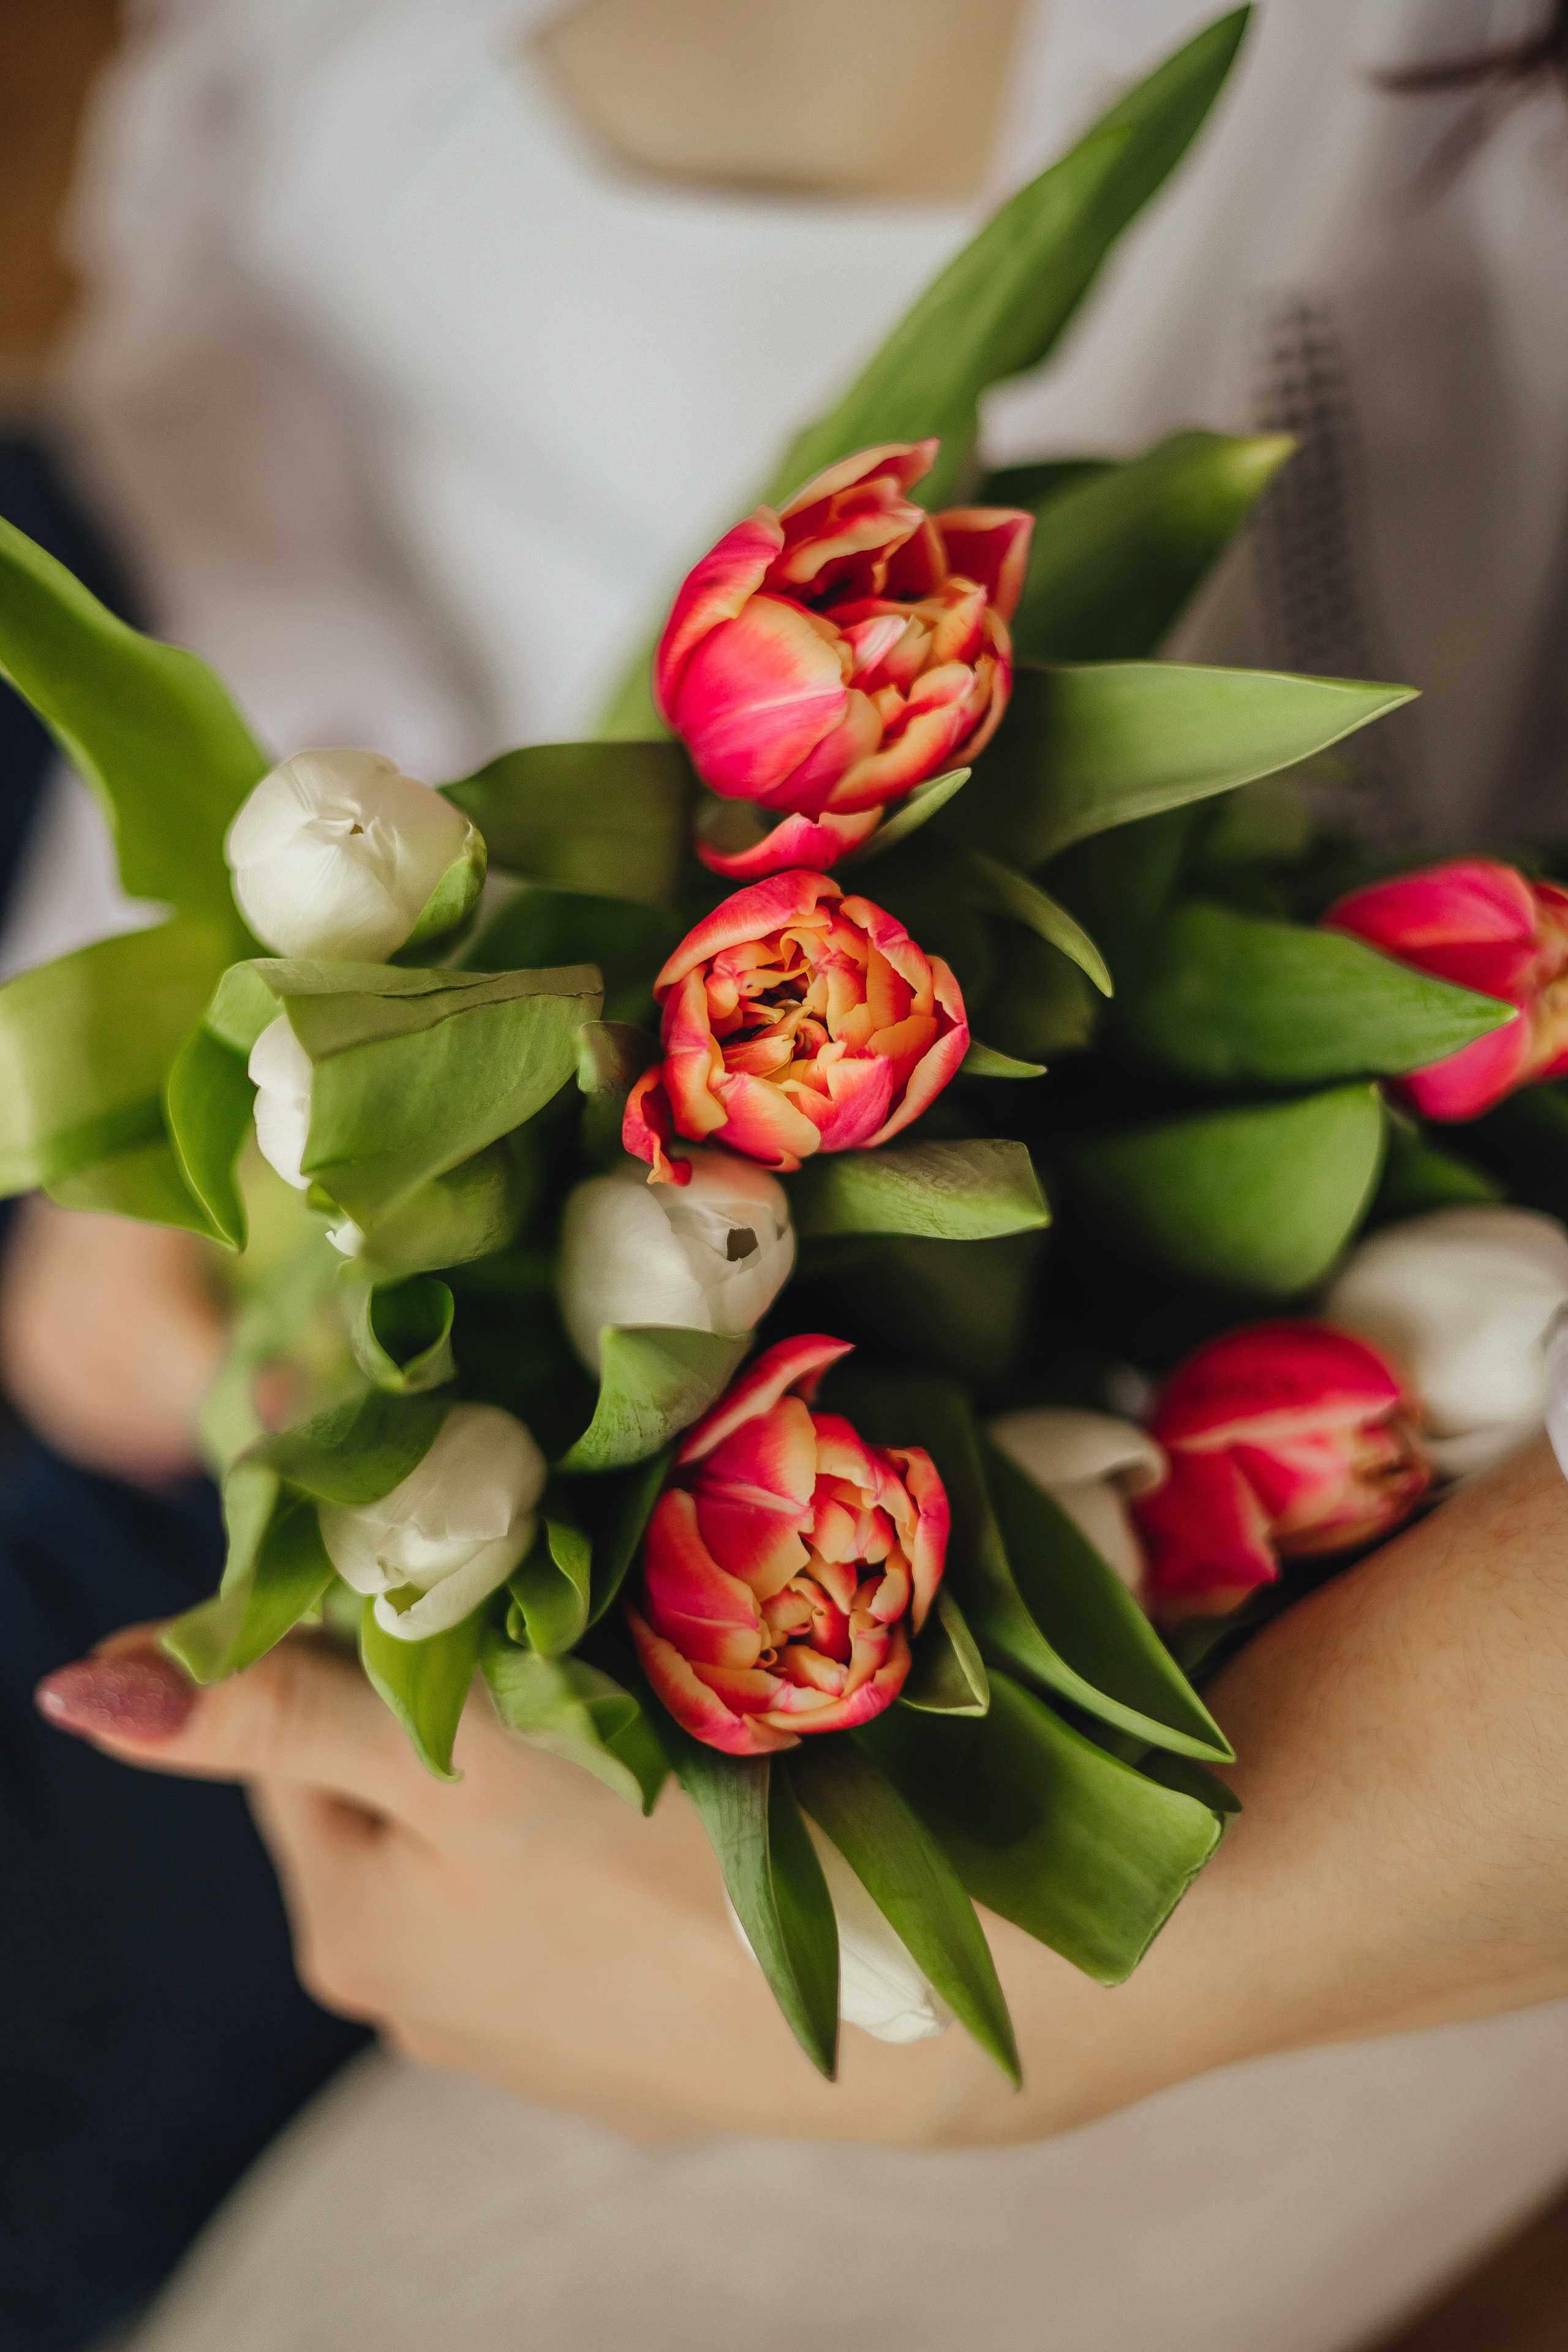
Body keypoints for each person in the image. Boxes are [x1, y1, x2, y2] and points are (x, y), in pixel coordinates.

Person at [13, 0, 1568, 2345]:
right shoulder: (292, 100)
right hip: (317, 1034)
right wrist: (207, 1028)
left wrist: (1015, 1997)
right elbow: (226, 393)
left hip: (834, 1256)